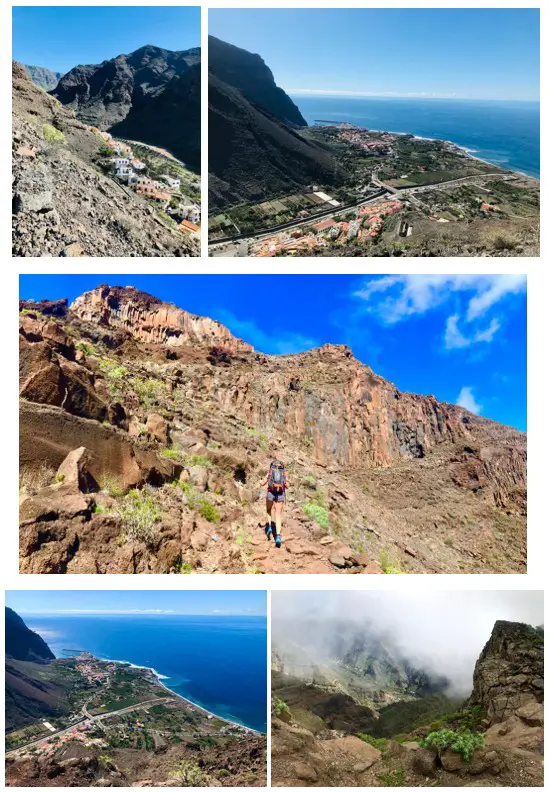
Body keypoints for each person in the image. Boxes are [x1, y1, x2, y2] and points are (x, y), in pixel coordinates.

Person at [259, 460, 287, 548]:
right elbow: (287, 485)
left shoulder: (270, 472)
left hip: (270, 493)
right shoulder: (284, 473)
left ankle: (270, 527)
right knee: (278, 515)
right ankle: (278, 537)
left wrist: (261, 481)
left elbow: (263, 483)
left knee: (268, 510)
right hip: (280, 495)